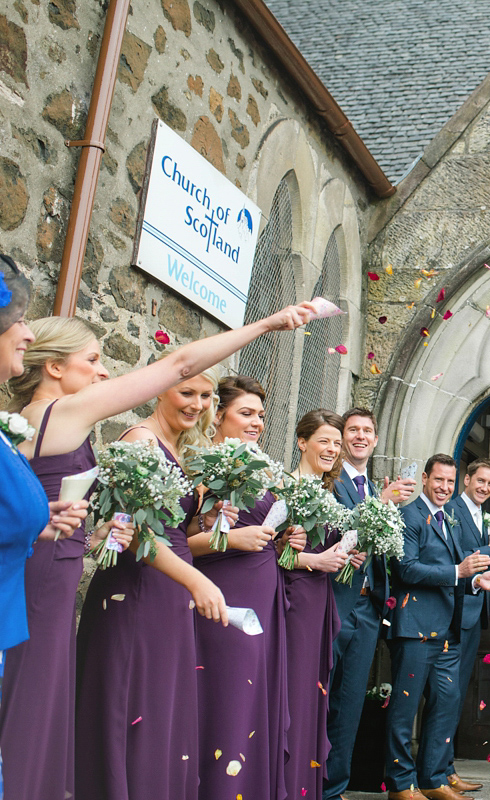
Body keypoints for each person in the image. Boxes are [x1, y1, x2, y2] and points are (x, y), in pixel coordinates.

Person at [0, 293, 313, 800]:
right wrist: (268, 323)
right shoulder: (58, 413)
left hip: (53, 570)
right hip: (49, 579)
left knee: (43, 704)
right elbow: (179, 363)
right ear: (53, 368)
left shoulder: (39, 422)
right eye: (94, 361)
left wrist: (96, 528)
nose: (103, 375)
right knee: (32, 706)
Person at [75, 368, 232, 800]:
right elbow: (137, 535)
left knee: (164, 708)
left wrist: (207, 519)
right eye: (187, 392)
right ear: (160, 388)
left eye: (205, 396)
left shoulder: (185, 448)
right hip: (140, 587)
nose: (197, 404)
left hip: (171, 589)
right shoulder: (140, 442)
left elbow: (175, 524)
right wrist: (196, 581)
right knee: (135, 702)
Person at [0, 254, 88, 793]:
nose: (26, 332)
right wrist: (267, 324)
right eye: (18, 321)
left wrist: (41, 518)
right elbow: (171, 367)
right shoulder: (49, 418)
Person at [189, 375, 289, 800]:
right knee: (227, 697)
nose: (257, 423)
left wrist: (285, 539)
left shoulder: (256, 466)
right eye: (246, 414)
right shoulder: (200, 468)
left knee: (252, 701)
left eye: (260, 416)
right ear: (218, 415)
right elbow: (177, 542)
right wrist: (231, 539)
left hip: (263, 594)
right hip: (223, 596)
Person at [382, 453, 490, 800]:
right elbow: (406, 569)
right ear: (424, 478)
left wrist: (477, 583)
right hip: (415, 627)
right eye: (439, 480)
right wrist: (459, 572)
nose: (444, 488)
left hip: (448, 631)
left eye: (449, 482)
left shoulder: (447, 519)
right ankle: (400, 785)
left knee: (447, 700)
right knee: (405, 710)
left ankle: (433, 779)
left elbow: (457, 575)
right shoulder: (410, 515)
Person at [325, 407, 415, 800]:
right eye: (353, 430)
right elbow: (336, 533)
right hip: (333, 601)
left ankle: (334, 789)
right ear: (343, 437)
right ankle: (305, 785)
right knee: (320, 695)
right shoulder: (331, 481)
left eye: (367, 431)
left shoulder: (373, 486)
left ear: (376, 440)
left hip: (368, 606)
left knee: (349, 706)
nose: (360, 436)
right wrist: (382, 502)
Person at [282, 410, 353, 800]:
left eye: (336, 444)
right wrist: (317, 561)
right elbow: (270, 553)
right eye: (324, 440)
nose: (331, 449)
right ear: (302, 441)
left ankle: (305, 788)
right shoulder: (284, 487)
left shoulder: (330, 493)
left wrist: (345, 552)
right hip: (291, 599)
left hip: (320, 601)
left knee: (315, 692)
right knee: (292, 690)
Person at [442, 457, 490, 793]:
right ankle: (438, 772)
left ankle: (446, 769)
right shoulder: (452, 510)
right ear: (465, 480)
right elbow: (460, 558)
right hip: (454, 614)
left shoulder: (478, 513)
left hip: (471, 614)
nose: (484, 488)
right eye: (480, 481)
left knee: (455, 697)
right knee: (446, 697)